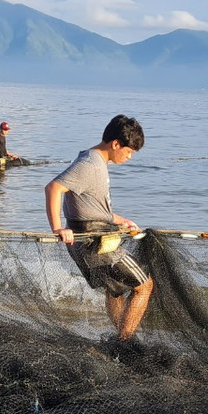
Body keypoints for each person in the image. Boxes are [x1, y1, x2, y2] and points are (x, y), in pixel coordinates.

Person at [45, 114, 152, 340]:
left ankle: (121, 337)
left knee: (115, 289)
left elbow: (90, 205)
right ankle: (125, 340)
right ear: (115, 144)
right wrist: (57, 228)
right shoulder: (90, 164)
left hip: (91, 238)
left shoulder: (95, 161)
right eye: (129, 151)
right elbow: (53, 188)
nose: (130, 157)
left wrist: (118, 219)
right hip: (94, 242)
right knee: (144, 285)